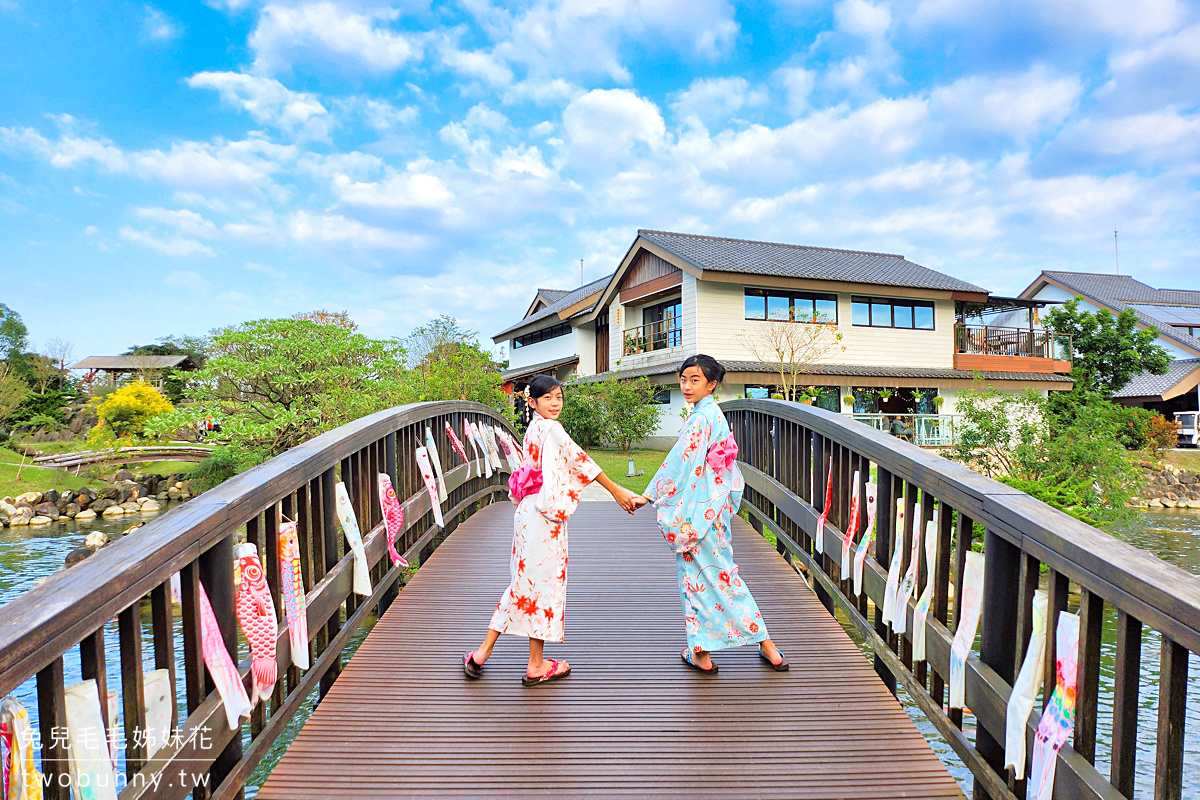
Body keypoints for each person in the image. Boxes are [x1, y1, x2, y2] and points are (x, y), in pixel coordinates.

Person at [463, 374, 640, 686]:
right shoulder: (552, 428)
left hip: (527, 513)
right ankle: (535, 664)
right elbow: (581, 461)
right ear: (532, 402)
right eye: (548, 398)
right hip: (543, 518)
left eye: (559, 397)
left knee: (523, 583)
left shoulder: (534, 427)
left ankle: (481, 653)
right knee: (545, 585)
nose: (555, 403)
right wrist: (617, 491)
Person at [632, 355, 788, 674]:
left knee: (699, 579)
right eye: (683, 379)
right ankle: (767, 649)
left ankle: (707, 654)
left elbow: (681, 461)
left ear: (711, 384)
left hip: (699, 513)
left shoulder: (701, 418)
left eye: (695, 380)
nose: (687, 386)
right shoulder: (713, 413)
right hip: (713, 509)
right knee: (722, 574)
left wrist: (649, 493)